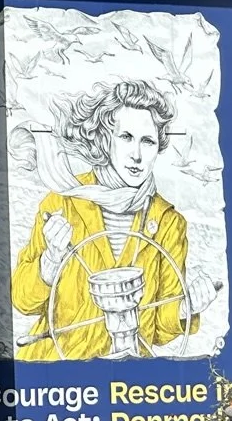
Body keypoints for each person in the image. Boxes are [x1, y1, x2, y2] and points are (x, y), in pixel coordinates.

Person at [11, 80, 191, 361]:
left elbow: (158, 328)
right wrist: (50, 261)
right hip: (59, 368)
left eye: (147, 141)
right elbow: (22, 301)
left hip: (129, 373)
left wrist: (187, 307)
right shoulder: (61, 204)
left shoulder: (168, 222)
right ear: (105, 139)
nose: (137, 155)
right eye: (126, 137)